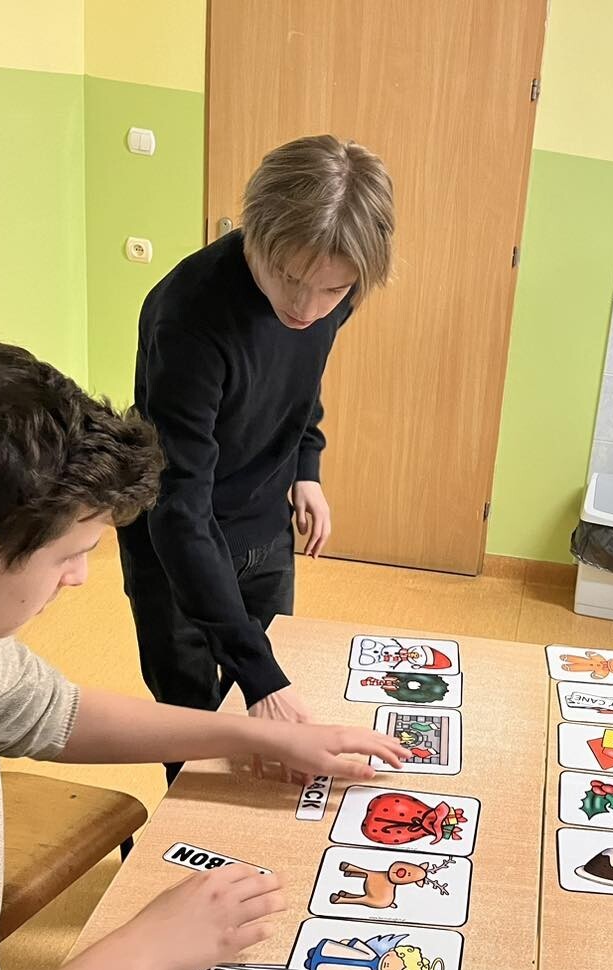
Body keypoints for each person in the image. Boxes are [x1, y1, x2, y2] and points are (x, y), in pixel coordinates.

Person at [0, 339, 404, 970]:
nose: (79, 578)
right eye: (70, 554)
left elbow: (56, 714)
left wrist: (251, 734)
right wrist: (143, 949)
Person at [117, 134, 396, 781]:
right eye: (289, 279)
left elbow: (300, 382)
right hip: (177, 540)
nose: (306, 308)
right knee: (193, 723)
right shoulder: (188, 316)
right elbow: (177, 508)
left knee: (277, 708)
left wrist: (306, 467)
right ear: (255, 235)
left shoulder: (338, 284)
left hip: (263, 522)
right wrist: (258, 673)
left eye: (332, 291)